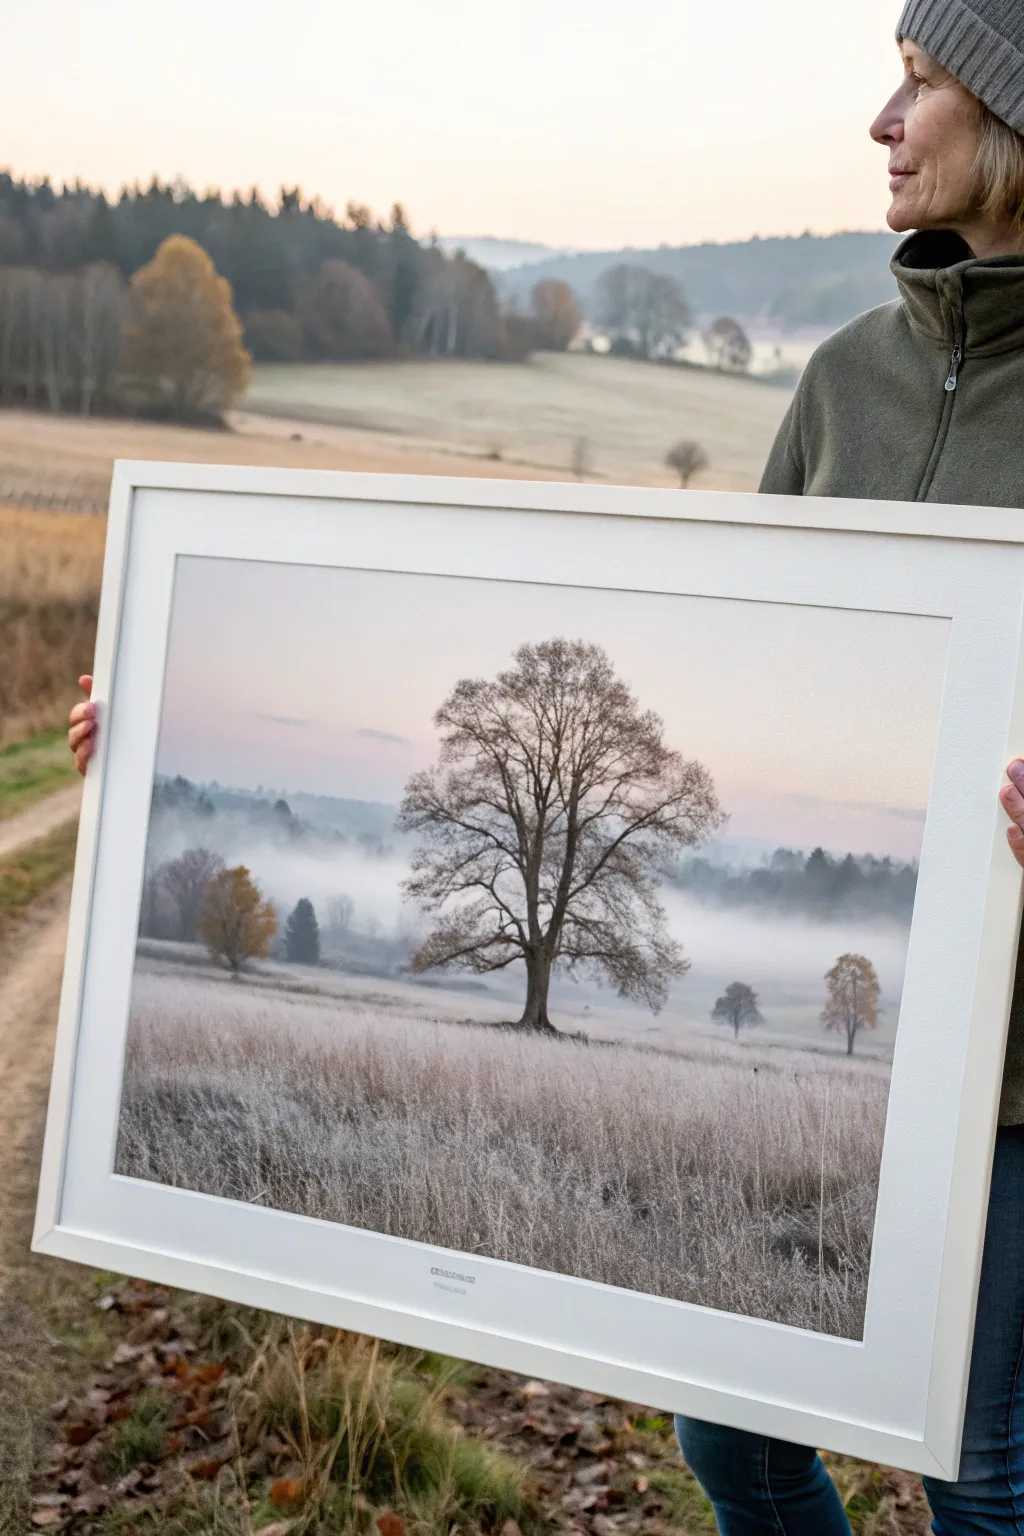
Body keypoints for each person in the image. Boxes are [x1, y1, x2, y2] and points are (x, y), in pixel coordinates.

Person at [68, 2, 1024, 1527]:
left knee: (977, 1486)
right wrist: (158, 744)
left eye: (922, 82)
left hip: (1014, 1074)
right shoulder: (848, 380)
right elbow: (716, 658)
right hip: (888, 1064)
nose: (881, 119)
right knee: (733, 1442)